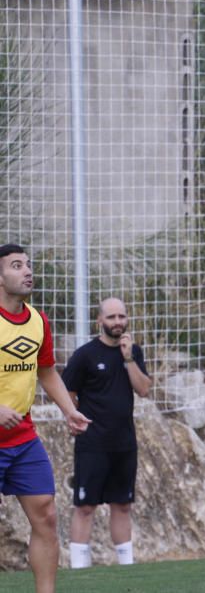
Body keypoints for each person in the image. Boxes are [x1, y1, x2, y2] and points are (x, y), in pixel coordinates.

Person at [0, 244, 90, 593]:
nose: (27, 271)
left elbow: (47, 371)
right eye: (16, 265)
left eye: (28, 265)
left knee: (47, 517)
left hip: (22, 440)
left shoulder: (38, 321)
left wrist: (70, 410)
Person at [62, 297, 152, 568]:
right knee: (85, 506)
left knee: (122, 505)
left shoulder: (132, 351)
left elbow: (144, 389)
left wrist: (128, 359)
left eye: (122, 317)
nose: (117, 323)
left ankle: (126, 567)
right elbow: (67, 390)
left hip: (124, 442)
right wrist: (74, 416)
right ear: (99, 321)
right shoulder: (85, 354)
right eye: (111, 317)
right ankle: (80, 568)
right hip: (92, 443)